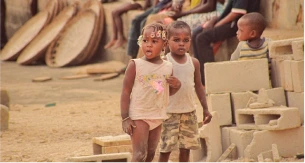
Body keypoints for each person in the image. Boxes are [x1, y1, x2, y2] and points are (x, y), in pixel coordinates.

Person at [121, 22, 181, 163]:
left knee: (150, 154)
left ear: (164, 44)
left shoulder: (168, 67)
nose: (148, 44)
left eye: (154, 41)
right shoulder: (135, 65)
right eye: (145, 40)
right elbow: (125, 91)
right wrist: (125, 118)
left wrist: (176, 86)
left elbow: (163, 91)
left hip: (157, 115)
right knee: (139, 154)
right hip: (139, 115)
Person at [158, 21, 212, 163]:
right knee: (166, 148)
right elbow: (156, 87)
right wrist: (171, 87)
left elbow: (199, 86)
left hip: (189, 112)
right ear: (166, 42)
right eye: (176, 40)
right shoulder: (164, 62)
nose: (182, 44)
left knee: (186, 148)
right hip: (169, 113)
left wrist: (205, 109)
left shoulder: (194, 62)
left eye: (186, 40)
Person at [191, 0, 260, 86]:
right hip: (231, 22)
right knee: (195, 35)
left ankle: (210, 79)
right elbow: (226, 11)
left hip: (238, 24)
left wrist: (217, 25)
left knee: (202, 38)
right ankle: (201, 77)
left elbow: (237, 12)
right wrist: (213, 21)